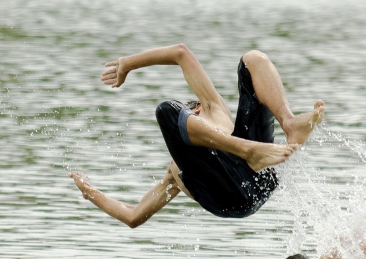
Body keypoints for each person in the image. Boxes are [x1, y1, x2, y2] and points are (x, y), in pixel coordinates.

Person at [69, 44, 325, 227]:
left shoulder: (213, 108)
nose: (183, 131)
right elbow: (133, 216)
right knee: (167, 113)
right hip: (230, 195)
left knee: (253, 59)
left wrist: (128, 63)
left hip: (261, 175)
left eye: (189, 119)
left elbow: (181, 53)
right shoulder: (177, 170)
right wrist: (89, 192)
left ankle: (288, 122)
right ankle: (249, 151)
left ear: (197, 110)